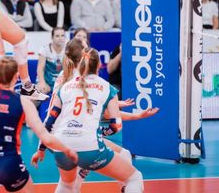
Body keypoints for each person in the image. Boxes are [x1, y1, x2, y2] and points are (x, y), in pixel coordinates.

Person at [36, 47, 145, 193]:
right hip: (89, 146)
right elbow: (116, 126)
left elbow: (48, 122)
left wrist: (41, 149)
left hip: (61, 145)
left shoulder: (66, 86)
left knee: (67, 186)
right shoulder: (106, 87)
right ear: (99, 65)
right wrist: (100, 132)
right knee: (134, 178)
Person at [0, 57, 77, 193]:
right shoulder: (22, 101)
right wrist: (67, 150)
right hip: (8, 163)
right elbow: (46, 138)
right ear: (16, 76)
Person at [36, 27, 66, 118]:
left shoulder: (68, 50)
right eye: (57, 36)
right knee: (35, 94)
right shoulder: (45, 49)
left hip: (62, 83)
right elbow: (40, 69)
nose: (60, 38)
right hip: (48, 82)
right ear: (52, 37)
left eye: (62, 35)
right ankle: (32, 118)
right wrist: (42, 83)